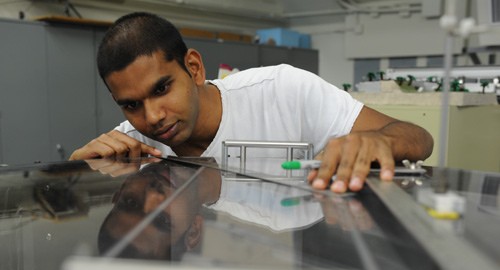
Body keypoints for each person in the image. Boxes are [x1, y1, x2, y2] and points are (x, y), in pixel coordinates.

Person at [69, 12, 434, 193]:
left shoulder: (283, 90)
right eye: (131, 105)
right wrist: (77, 169)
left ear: (193, 68)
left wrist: (378, 141)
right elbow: (72, 193)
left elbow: (419, 138)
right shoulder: (131, 144)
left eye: (162, 88)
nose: (151, 117)